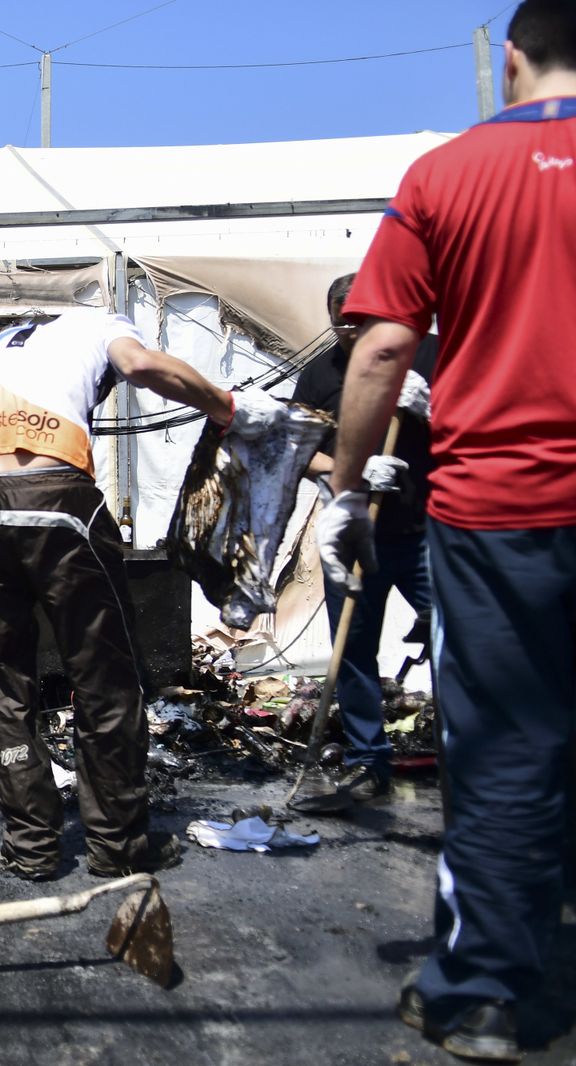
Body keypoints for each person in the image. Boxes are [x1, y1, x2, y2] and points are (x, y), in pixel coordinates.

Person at [318, 3, 576, 1059]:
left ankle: (480, 994)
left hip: (500, 509)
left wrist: (343, 492)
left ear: (510, 58)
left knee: (504, 747)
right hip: (486, 510)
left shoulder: (445, 175)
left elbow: (382, 350)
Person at [0, 308, 285, 881]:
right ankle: (116, 847)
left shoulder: (1, 348)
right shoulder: (105, 325)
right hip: (57, 501)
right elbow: (140, 366)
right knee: (103, 679)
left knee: (7, 685)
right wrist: (227, 407)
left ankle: (31, 847)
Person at [291, 272, 437, 802]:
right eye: (343, 324)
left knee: (460, 641)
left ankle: (472, 755)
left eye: (363, 321)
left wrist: (433, 408)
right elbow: (298, 448)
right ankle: (367, 760)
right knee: (352, 649)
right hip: (355, 534)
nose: (353, 332)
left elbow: (484, 429)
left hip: (429, 533)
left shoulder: (429, 356)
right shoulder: (320, 375)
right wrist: (346, 472)